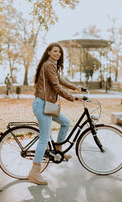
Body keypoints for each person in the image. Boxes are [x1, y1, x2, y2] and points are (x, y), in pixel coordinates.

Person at [28, 42, 83, 185]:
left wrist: (75, 87)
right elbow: (56, 86)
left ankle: (58, 150)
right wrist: (73, 97)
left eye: (59, 52)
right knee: (44, 137)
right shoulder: (48, 65)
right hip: (42, 105)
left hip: (48, 105)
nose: (57, 54)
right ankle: (34, 173)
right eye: (55, 51)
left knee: (66, 122)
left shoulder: (51, 65)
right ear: (49, 52)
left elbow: (60, 80)